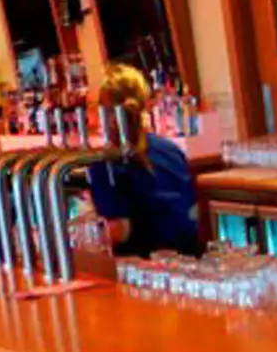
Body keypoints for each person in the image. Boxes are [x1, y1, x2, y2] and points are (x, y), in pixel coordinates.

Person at [87, 63, 202, 259]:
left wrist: (75, 236)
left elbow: (120, 230)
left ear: (105, 113)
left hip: (142, 269)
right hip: (189, 261)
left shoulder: (106, 162)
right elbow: (188, 214)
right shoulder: (172, 150)